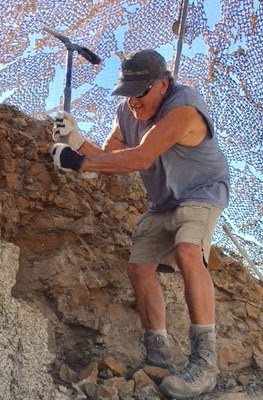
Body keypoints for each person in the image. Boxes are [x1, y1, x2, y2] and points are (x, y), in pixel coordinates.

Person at [51, 49, 229, 398]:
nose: (133, 101)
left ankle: (205, 363)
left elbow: (142, 156)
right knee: (139, 268)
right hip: (163, 201)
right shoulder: (126, 112)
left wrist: (75, 161)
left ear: (163, 84)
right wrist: (75, 139)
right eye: (127, 92)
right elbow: (107, 156)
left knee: (188, 251)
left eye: (141, 91)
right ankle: (157, 357)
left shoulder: (183, 106)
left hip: (201, 191)